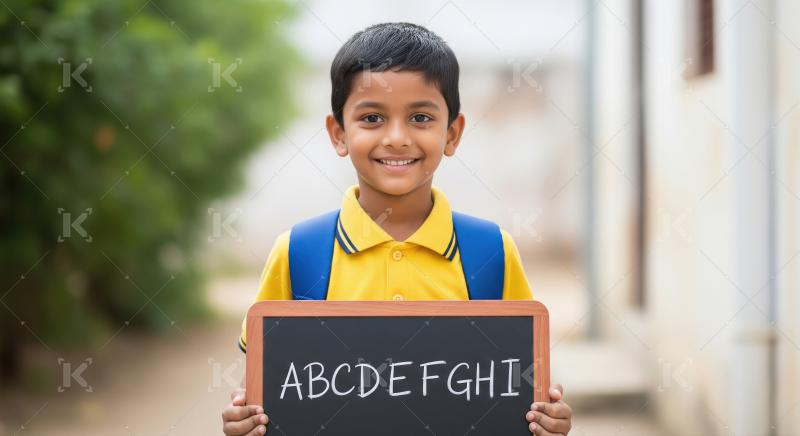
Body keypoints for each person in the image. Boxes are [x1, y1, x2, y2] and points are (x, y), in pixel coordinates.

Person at [222, 22, 572, 436]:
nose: (396, 138)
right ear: (339, 134)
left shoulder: (490, 251)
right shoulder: (299, 252)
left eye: (420, 117)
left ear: (452, 133)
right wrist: (245, 421)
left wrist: (546, 421)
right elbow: (262, 391)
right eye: (372, 117)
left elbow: (520, 387)